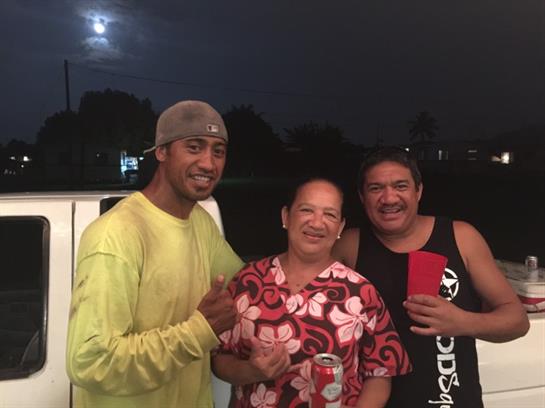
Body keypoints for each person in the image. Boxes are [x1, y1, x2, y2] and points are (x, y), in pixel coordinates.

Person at [66, 100, 245, 407]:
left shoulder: (199, 222)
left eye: (218, 151)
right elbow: (90, 361)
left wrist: (311, 256)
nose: (208, 163)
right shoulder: (116, 235)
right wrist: (199, 332)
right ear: (161, 152)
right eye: (194, 147)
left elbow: (245, 284)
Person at [332, 146, 530, 407]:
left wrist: (463, 322)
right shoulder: (349, 246)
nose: (389, 198)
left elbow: (517, 321)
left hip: (452, 400)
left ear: (418, 191)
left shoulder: (461, 237)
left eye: (401, 186)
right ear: (362, 197)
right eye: (375, 188)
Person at [212, 178, 412, 407]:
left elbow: (380, 374)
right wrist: (250, 371)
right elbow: (219, 358)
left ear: (340, 227)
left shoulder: (360, 292)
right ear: (286, 217)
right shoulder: (248, 280)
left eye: (330, 215)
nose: (317, 223)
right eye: (306, 210)